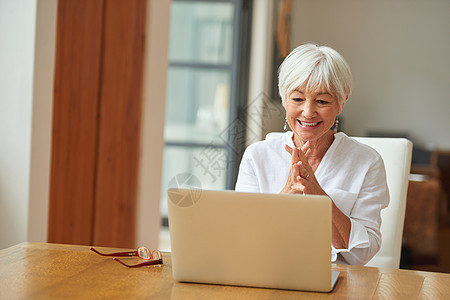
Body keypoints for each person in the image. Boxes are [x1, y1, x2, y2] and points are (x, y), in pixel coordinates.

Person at [235, 43, 389, 265]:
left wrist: (316, 193)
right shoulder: (256, 157)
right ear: (284, 100)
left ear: (342, 102)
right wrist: (287, 193)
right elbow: (243, 239)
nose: (308, 112)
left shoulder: (367, 162)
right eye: (297, 99)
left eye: (322, 101)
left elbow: (362, 254)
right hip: (268, 274)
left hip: (337, 283)